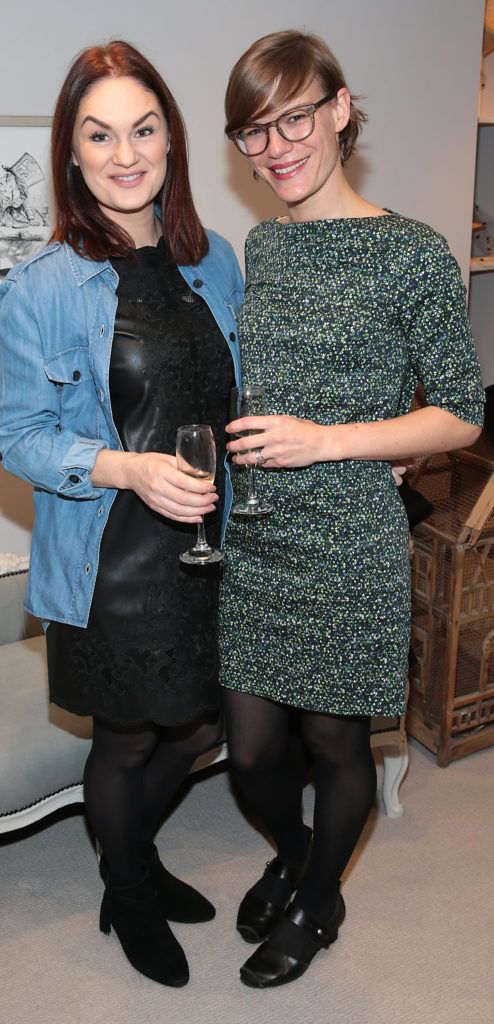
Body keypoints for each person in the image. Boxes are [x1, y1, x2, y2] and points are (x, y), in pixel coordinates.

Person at [220, 29, 484, 989]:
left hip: (348, 537)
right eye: (252, 130)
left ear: (339, 109)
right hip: (257, 535)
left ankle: (320, 895)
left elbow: (461, 413)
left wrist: (332, 440)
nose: (274, 145)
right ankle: (293, 852)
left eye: (294, 116)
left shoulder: (410, 251)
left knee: (336, 740)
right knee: (250, 750)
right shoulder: (261, 244)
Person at [0, 40, 242, 989]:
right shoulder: (44, 286)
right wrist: (128, 469)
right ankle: (130, 886)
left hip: (209, 545)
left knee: (200, 727)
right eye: (100, 135)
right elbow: (19, 438)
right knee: (128, 735)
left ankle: (125, 857)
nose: (125, 153)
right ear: (72, 152)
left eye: (143, 129)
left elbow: (234, 396)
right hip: (111, 554)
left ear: (172, 143)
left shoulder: (212, 259)